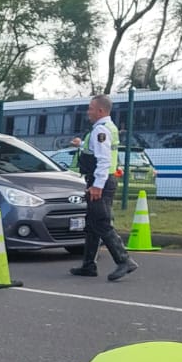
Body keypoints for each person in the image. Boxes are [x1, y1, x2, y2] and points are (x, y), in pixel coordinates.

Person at [69, 95, 135, 281]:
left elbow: (103, 159)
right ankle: (88, 265)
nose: (88, 112)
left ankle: (124, 261)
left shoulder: (101, 130)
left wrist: (97, 186)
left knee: (102, 222)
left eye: (90, 108)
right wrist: (81, 144)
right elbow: (97, 150)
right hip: (102, 181)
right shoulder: (106, 128)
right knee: (91, 224)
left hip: (101, 183)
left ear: (100, 111)